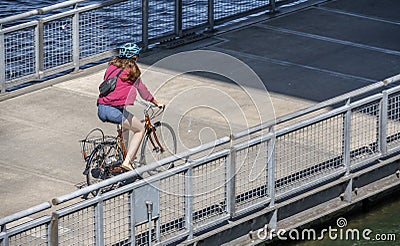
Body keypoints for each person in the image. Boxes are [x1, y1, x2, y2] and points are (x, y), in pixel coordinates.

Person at [97, 43, 163, 171]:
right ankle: (127, 162)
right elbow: (143, 92)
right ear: (134, 57)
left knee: (126, 126)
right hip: (113, 111)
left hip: (101, 108)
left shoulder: (111, 67)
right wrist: (156, 102)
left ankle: (123, 154)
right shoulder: (132, 71)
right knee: (140, 129)